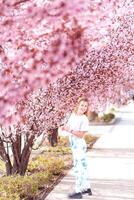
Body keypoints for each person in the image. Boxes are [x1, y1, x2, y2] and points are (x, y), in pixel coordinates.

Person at [61, 97, 92, 199]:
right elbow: (68, 127)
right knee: (83, 166)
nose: (83, 107)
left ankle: (78, 191)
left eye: (85, 106)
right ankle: (87, 188)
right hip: (73, 144)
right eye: (82, 105)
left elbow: (80, 135)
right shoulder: (73, 115)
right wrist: (64, 127)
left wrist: (69, 130)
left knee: (78, 167)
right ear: (78, 105)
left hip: (79, 145)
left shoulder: (84, 119)